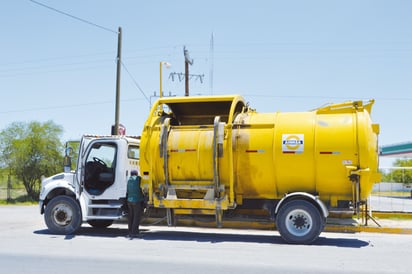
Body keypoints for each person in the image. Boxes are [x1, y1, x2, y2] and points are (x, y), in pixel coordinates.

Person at [126, 170, 144, 238]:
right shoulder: (138, 178)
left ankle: (130, 232)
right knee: (136, 217)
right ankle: (135, 233)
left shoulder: (128, 180)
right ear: (136, 174)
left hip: (129, 201)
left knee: (131, 217)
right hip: (136, 201)